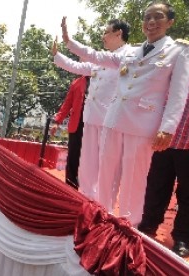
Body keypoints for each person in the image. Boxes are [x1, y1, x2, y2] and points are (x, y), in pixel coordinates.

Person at [61, 1, 189, 226]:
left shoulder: (180, 51)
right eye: (147, 17)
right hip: (113, 120)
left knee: (134, 179)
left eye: (158, 17)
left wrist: (167, 127)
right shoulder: (131, 51)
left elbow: (178, 94)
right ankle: (99, 220)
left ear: (170, 22)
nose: (151, 22)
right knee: (105, 174)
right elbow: (97, 56)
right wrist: (69, 42)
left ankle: (126, 226)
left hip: (143, 125)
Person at [52, 18, 131, 199]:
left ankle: (104, 204)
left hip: (110, 121)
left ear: (118, 33)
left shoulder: (128, 55)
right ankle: (86, 199)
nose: (103, 36)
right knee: (88, 163)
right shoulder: (101, 60)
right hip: (91, 118)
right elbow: (77, 66)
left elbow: (93, 55)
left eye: (106, 32)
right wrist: (57, 55)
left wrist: (68, 40)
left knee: (107, 165)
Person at [138, 29, 189, 257]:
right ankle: (148, 226)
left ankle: (182, 237)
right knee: (156, 186)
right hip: (164, 139)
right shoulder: (178, 58)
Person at [51, 75, 89, 188]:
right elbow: (67, 103)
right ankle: (70, 187)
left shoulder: (103, 79)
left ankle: (86, 188)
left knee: (89, 158)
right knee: (73, 156)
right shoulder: (77, 82)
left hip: (94, 125)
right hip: (77, 124)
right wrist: (57, 122)